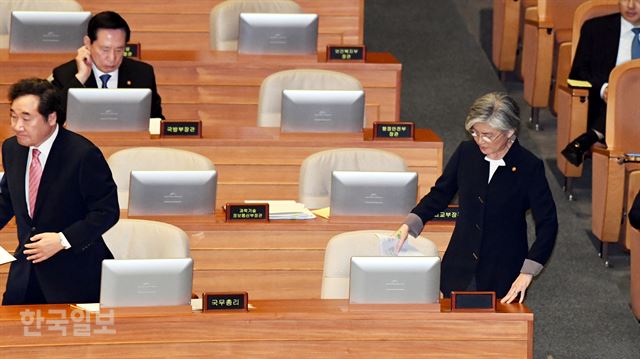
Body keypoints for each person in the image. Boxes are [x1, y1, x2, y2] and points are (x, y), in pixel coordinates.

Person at [394, 92, 558, 304]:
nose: (480, 140)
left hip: (502, 270)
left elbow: (548, 223)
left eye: (488, 135)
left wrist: (528, 271)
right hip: (459, 265)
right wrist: (411, 223)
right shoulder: (467, 153)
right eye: (475, 132)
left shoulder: (529, 166)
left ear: (509, 132)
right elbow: (440, 193)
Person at [0, 78, 119, 305]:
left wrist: (63, 240)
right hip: (26, 272)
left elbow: (107, 211)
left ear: (51, 118)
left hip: (74, 274)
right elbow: (8, 198)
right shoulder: (12, 148)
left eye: (26, 118)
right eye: (13, 116)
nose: (17, 126)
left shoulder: (82, 155)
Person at [561, 0, 640, 166]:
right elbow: (577, 73)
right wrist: (603, 88)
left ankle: (590, 137)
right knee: (621, 94)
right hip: (605, 105)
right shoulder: (596, 29)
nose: (631, 5)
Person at [51, 10, 164, 119]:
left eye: (119, 50)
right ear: (88, 43)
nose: (112, 58)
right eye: (105, 49)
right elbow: (52, 119)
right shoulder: (65, 74)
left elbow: (156, 120)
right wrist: (81, 78)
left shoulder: (143, 74)